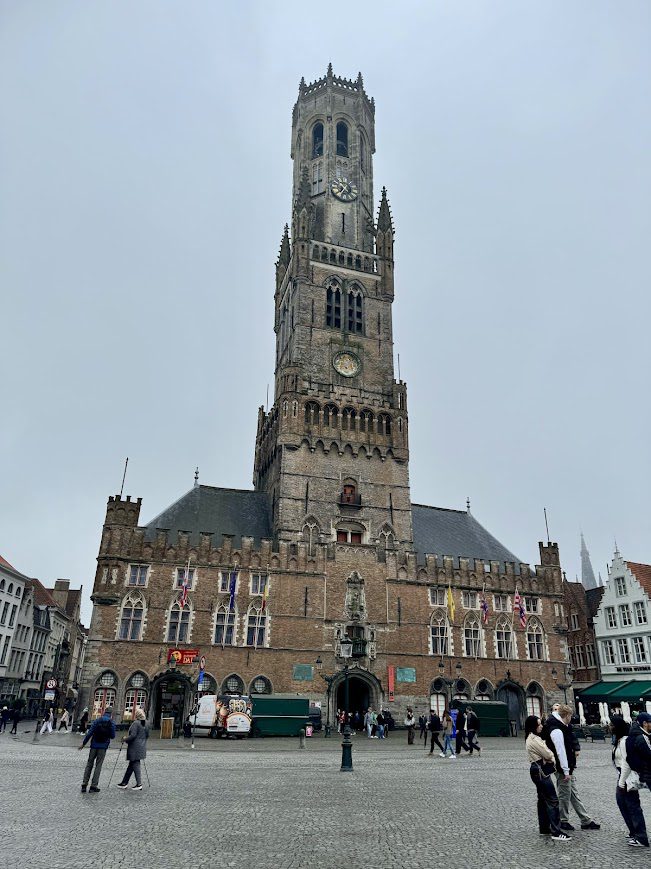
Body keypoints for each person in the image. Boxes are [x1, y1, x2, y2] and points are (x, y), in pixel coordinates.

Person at [545, 703, 600, 831]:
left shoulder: (563, 726)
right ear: (567, 715)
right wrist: (566, 770)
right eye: (571, 716)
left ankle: (585, 820)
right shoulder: (557, 729)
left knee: (573, 793)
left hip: (566, 767)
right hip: (562, 768)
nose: (571, 719)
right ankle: (562, 820)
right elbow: (560, 752)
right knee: (564, 794)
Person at [524, 714, 570, 841]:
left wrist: (548, 756)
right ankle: (556, 831)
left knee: (543, 800)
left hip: (538, 769)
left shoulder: (533, 738)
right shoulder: (534, 740)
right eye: (539, 724)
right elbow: (549, 754)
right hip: (540, 771)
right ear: (533, 726)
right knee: (552, 800)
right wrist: (550, 757)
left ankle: (544, 828)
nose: (541, 726)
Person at [612, 714, 648, 848]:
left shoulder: (625, 741)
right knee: (624, 804)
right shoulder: (619, 740)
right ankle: (634, 832)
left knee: (632, 806)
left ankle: (641, 836)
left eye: (612, 725)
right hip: (622, 775)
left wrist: (622, 782)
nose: (610, 727)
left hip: (627, 776)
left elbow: (627, 762)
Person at [79, 706, 116, 793]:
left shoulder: (97, 720)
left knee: (89, 764)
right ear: (111, 714)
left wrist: (83, 744)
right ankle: (93, 786)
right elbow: (113, 736)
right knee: (98, 766)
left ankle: (84, 785)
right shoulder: (111, 722)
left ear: (104, 712)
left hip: (94, 745)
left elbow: (89, 733)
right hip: (103, 747)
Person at [117, 707, 149, 791]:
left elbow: (133, 735)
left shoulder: (136, 723)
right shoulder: (146, 723)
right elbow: (147, 735)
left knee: (135, 763)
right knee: (131, 765)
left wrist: (125, 739)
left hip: (134, 746)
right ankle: (124, 782)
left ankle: (139, 784)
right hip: (142, 745)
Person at [626, 711, 651, 790]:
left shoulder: (637, 734)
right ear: (645, 723)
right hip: (648, 773)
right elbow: (649, 755)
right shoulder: (641, 738)